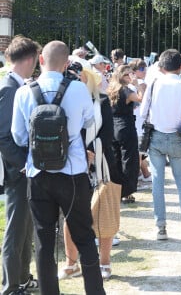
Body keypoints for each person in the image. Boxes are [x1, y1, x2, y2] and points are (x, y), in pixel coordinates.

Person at [11, 41, 105, 295]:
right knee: (84, 236)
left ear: (41, 60)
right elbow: (91, 122)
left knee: (43, 240)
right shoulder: (77, 89)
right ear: (66, 64)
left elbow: (18, 136)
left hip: (38, 174)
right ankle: (95, 291)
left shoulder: (24, 92)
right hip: (72, 173)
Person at [59, 65, 122, 281]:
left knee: (103, 213)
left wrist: (92, 151)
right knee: (71, 214)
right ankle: (71, 263)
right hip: (72, 164)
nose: (77, 78)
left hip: (101, 164)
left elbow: (108, 133)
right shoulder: (63, 98)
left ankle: (105, 261)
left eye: (81, 74)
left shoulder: (102, 101)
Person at [142, 49, 181, 240]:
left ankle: (161, 227)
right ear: (180, 66)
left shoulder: (154, 83)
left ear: (161, 65)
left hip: (156, 135)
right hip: (176, 135)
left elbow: (143, 111)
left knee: (157, 182)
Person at [0, 36, 41, 295]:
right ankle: (10, 286)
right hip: (17, 170)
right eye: (36, 60)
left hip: (22, 169)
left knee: (25, 226)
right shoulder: (9, 88)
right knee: (15, 230)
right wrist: (22, 166)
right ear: (29, 59)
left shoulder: (15, 86)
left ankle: (22, 278)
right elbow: (4, 136)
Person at [108, 65, 141, 203]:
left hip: (113, 126)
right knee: (129, 159)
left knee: (116, 159)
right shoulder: (125, 90)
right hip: (125, 126)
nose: (130, 77)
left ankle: (116, 189)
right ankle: (126, 192)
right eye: (128, 74)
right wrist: (138, 84)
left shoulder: (111, 89)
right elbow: (140, 98)